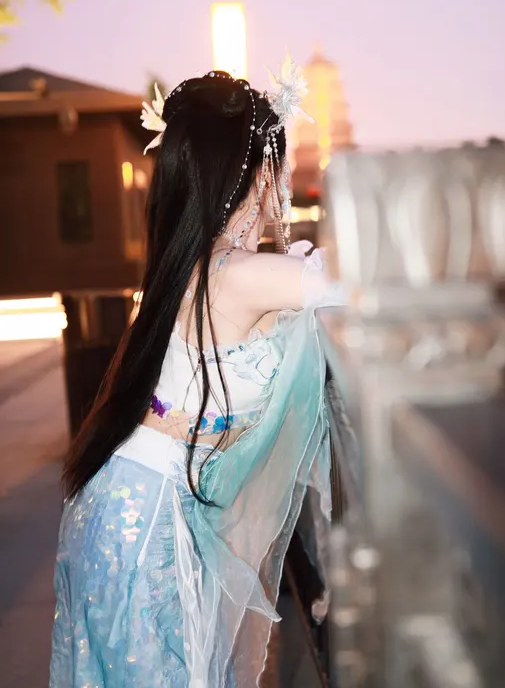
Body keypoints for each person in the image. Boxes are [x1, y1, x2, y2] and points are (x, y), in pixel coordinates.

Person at [49, 63, 345, 688]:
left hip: (133, 498)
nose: (278, 190)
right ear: (257, 174)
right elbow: (357, 287)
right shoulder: (236, 273)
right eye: (275, 172)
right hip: (149, 515)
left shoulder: (193, 263)